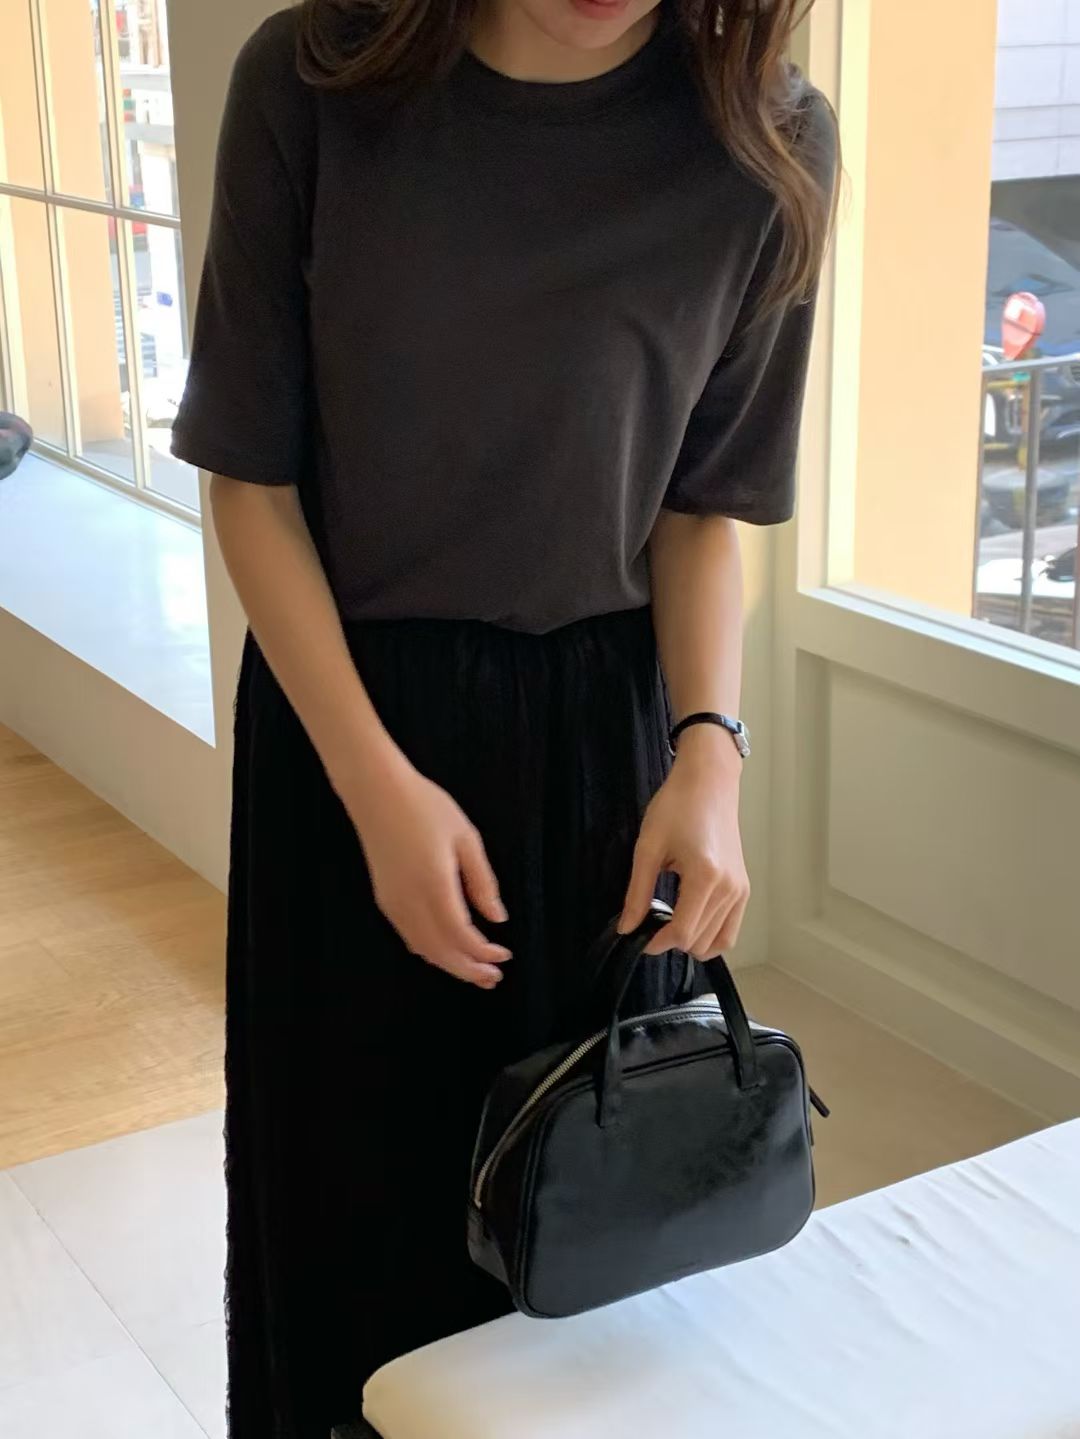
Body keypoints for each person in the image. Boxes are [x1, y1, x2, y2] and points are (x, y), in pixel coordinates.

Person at [170, 1, 839, 1435]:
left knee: (589, 1236)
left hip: (610, 752)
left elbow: (700, 508)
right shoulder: (313, 81)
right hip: (354, 730)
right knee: (349, 1215)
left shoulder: (768, 143)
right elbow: (251, 484)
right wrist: (375, 786)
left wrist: (710, 756)